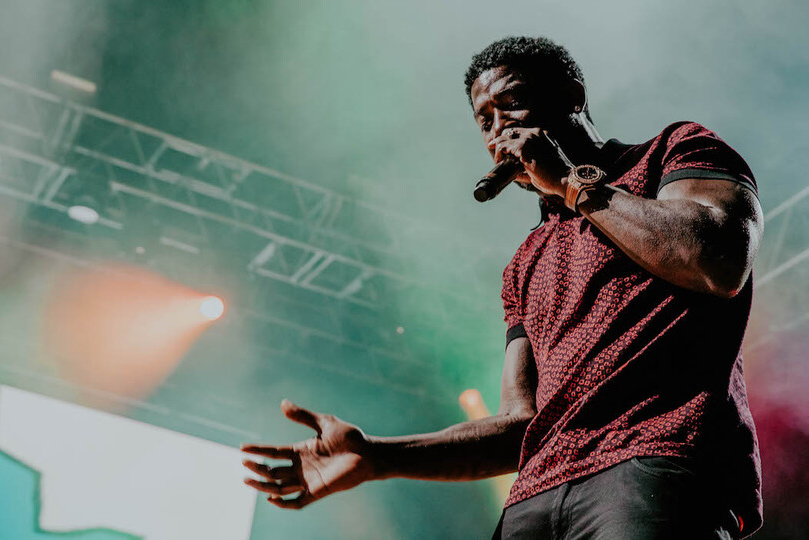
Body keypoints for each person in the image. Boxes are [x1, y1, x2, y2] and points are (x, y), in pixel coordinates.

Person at [242, 36, 764, 539]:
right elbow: (519, 423)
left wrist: (573, 184)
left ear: (572, 97)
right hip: (535, 498)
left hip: (655, 459)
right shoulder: (524, 262)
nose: (498, 130)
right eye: (484, 120)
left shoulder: (672, 151)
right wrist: (378, 456)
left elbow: (719, 260)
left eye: (512, 103)